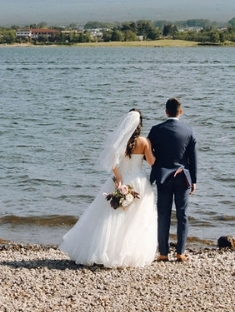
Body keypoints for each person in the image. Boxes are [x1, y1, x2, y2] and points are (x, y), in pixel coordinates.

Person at [59, 109, 158, 268]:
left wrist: (119, 178)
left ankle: (104, 251)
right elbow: (152, 162)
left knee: (111, 216)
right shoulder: (144, 142)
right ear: (140, 125)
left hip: (122, 179)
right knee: (136, 219)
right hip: (139, 182)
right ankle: (128, 253)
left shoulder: (119, 141)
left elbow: (112, 162)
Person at [148, 97, 197, 262]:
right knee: (182, 214)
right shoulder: (189, 131)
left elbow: (150, 154)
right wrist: (194, 180)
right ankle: (180, 252)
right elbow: (193, 158)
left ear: (166, 111)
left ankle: (163, 253)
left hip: (163, 176)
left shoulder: (156, 130)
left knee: (163, 215)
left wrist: (157, 167)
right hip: (183, 177)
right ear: (180, 112)